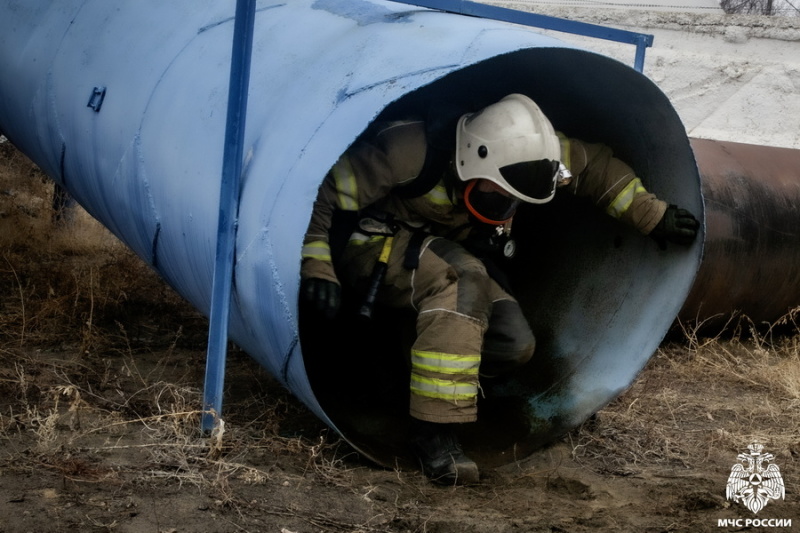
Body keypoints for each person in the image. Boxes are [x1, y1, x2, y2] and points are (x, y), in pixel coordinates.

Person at [300, 93, 699, 485]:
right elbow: (318, 193)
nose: (508, 206)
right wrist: (318, 267)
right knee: (461, 279)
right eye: (500, 194)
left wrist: (653, 214)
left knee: (511, 342)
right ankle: (433, 431)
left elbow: (593, 166)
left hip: (449, 252)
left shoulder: (531, 155)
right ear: (474, 160)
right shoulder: (407, 152)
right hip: (375, 249)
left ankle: (410, 367)